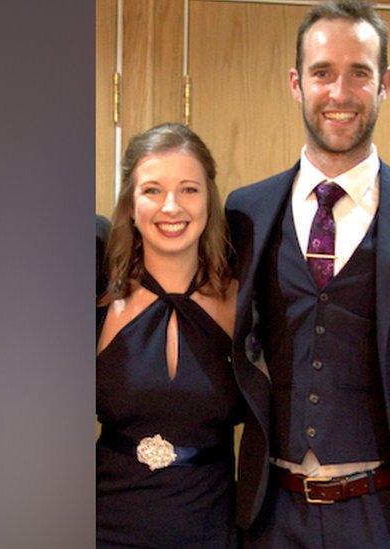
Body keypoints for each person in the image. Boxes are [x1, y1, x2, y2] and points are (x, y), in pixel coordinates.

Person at [225, 1, 390, 546]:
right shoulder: (247, 212)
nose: (339, 92)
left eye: (358, 72)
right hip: (271, 516)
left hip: (385, 516)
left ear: (385, 83)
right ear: (296, 83)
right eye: (322, 73)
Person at [96, 123, 243, 547]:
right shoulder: (98, 299)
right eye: (153, 190)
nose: (171, 207)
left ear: (209, 200)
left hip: (213, 529)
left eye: (189, 189)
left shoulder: (243, 301)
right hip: (105, 527)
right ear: (131, 203)